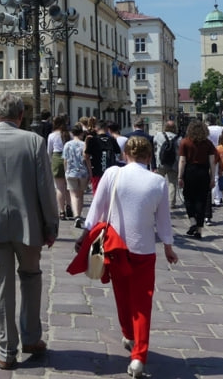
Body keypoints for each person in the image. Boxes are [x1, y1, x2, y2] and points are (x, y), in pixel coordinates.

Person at [0, 91, 59, 370]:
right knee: (31, 277)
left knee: (1, 285)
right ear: (21, 115)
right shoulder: (34, 141)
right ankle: (30, 338)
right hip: (28, 224)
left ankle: (6, 350)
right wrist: (51, 225)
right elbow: (46, 189)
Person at [76, 136, 178, 378]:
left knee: (122, 296)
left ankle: (129, 335)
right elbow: (163, 219)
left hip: (116, 247)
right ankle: (138, 357)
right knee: (142, 304)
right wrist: (168, 246)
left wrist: (84, 235)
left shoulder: (113, 174)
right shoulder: (157, 181)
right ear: (149, 156)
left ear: (126, 155)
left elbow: (97, 208)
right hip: (143, 249)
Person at [177, 119, 217, 239]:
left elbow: (182, 160)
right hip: (203, 172)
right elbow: (212, 162)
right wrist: (212, 177)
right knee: (201, 200)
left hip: (190, 171)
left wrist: (180, 176)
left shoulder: (185, 142)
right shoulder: (208, 143)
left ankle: (192, 220)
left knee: (188, 198)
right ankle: (199, 230)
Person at [62, 123, 91, 229]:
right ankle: (79, 214)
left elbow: (65, 160)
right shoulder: (84, 144)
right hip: (83, 172)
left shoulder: (67, 145)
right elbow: (87, 159)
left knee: (73, 195)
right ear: (81, 133)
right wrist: (90, 173)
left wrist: (66, 172)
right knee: (80, 195)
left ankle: (76, 216)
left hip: (71, 172)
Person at [84, 119, 120, 198]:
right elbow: (119, 155)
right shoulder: (112, 139)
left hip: (96, 171)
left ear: (96, 128)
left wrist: (86, 142)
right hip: (110, 172)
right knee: (110, 195)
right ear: (106, 128)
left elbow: (86, 156)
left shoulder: (93, 140)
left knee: (97, 196)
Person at [47, 115, 71, 219]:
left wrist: (49, 162)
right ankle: (69, 207)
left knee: (59, 188)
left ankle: (61, 211)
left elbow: (49, 151)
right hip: (68, 159)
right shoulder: (69, 134)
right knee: (68, 187)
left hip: (57, 158)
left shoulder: (52, 135)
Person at [153, 120, 180, 208]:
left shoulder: (159, 135)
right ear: (174, 128)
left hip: (161, 162)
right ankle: (171, 203)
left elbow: (154, 145)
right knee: (172, 183)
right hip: (173, 163)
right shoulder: (179, 138)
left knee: (158, 182)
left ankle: (158, 201)